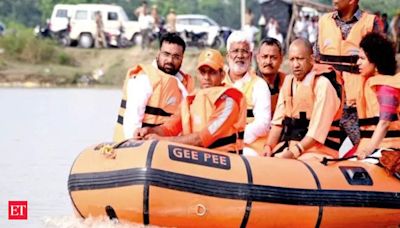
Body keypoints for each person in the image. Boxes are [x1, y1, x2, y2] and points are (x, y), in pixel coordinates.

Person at [134, 49, 246, 153]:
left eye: (212, 72)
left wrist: (161, 141)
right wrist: (149, 131)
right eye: (203, 72)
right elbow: (169, 128)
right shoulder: (191, 100)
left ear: (222, 75)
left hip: (223, 162)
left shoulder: (229, 101)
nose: (206, 77)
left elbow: (202, 138)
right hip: (195, 159)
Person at [315, 0, 381, 147]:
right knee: (324, 155)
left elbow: (381, 64)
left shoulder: (370, 24)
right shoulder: (324, 22)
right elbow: (316, 58)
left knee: (365, 151)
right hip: (329, 105)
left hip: (357, 108)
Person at [263, 39, 343, 160]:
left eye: (300, 59)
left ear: (311, 59)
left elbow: (316, 132)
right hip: (291, 147)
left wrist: (293, 152)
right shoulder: (288, 82)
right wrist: (268, 146)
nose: (295, 65)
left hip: (318, 151)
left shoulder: (323, 85)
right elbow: (278, 124)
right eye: (292, 59)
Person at [113, 33, 194, 141]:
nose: (170, 60)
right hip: (137, 146)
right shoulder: (144, 79)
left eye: (176, 57)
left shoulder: (185, 85)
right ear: (158, 54)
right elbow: (131, 120)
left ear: (182, 59)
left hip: (166, 146)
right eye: (166, 54)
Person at [349, 32, 399, 159]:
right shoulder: (368, 84)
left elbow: (384, 123)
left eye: (362, 58)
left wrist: (367, 151)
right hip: (370, 146)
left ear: (375, 63)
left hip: (387, 149)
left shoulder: (386, 87)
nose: (358, 62)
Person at [224, 31, 271, 156]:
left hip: (251, 147)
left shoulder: (259, 85)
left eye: (244, 51)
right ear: (228, 56)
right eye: (235, 51)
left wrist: (235, 138)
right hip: (221, 145)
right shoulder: (218, 83)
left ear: (250, 56)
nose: (240, 55)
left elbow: (264, 123)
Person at [256, 37, 286, 115]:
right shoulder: (249, 83)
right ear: (258, 58)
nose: (268, 62)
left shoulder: (288, 83)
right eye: (265, 57)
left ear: (281, 59)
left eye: (273, 58)